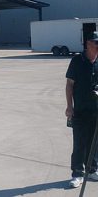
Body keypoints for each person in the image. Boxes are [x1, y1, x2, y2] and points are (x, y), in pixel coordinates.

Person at [67, 31, 98, 188]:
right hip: (80, 110)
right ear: (88, 44)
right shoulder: (77, 60)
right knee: (79, 143)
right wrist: (69, 106)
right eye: (96, 43)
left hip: (96, 110)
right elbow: (69, 85)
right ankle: (77, 174)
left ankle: (92, 169)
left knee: (94, 142)